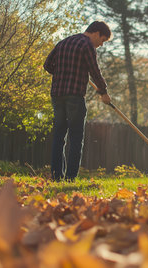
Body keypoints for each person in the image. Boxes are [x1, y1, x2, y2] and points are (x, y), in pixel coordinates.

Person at [44, 21, 112, 181]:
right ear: (96, 33)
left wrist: (61, 72)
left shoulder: (63, 42)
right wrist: (103, 92)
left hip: (57, 95)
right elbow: (95, 71)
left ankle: (56, 176)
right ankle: (70, 178)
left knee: (59, 137)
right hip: (74, 96)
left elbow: (47, 65)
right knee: (75, 137)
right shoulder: (86, 45)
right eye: (102, 40)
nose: (101, 45)